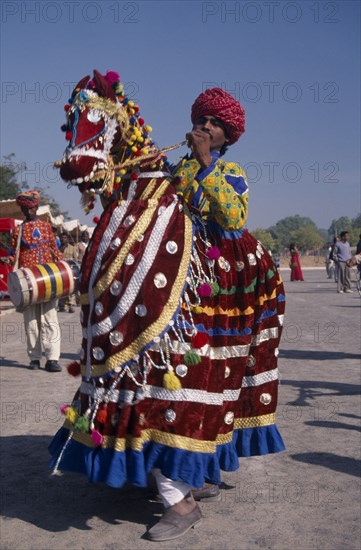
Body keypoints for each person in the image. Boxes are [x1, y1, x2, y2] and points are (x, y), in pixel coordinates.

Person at [49, 80, 285, 542]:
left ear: (227, 137)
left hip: (215, 283)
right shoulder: (171, 169)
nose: (206, 126)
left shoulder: (229, 170)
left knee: (206, 376)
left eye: (215, 124)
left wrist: (202, 163)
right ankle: (177, 472)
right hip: (164, 271)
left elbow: (233, 216)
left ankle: (185, 489)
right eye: (202, 118)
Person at [10, 191, 63, 371]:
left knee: (50, 318)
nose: (28, 211)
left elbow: (55, 251)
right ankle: (34, 358)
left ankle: (52, 358)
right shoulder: (17, 231)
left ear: (36, 208)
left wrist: (64, 269)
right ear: (22, 209)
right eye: (25, 209)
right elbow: (14, 255)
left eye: (31, 208)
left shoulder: (47, 227)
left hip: (49, 279)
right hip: (27, 282)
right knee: (31, 321)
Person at [58, 232, 78, 312]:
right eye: (62, 238)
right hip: (61, 272)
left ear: (68, 239)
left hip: (70, 271)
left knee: (71, 288)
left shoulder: (72, 248)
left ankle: (71, 305)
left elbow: (75, 260)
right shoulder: (58, 249)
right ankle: (62, 305)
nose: (63, 239)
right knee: (62, 288)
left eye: (65, 238)